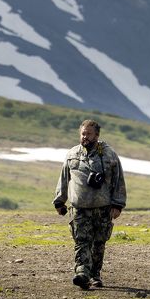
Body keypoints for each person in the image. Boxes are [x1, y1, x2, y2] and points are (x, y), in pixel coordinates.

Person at [53, 118, 126, 289]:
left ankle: (95, 275)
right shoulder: (72, 154)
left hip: (103, 208)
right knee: (82, 241)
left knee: (99, 243)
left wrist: (118, 204)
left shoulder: (108, 155)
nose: (85, 137)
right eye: (83, 133)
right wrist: (59, 201)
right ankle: (82, 273)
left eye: (89, 134)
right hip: (79, 209)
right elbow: (64, 178)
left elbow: (118, 180)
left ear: (97, 135)